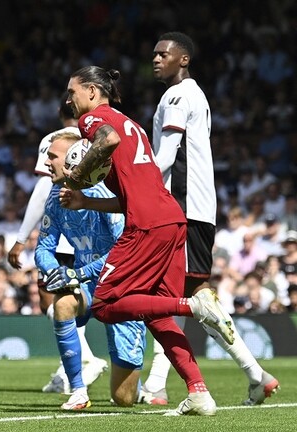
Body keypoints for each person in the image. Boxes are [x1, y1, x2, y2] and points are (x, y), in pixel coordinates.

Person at [60, 65, 235, 416]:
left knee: (103, 304)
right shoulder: (133, 126)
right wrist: (85, 201)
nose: (68, 100)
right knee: (158, 315)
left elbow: (106, 141)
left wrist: (77, 174)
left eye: (72, 92)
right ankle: (199, 392)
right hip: (171, 219)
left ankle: (193, 307)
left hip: (146, 226)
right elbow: (131, 195)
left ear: (92, 91)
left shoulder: (93, 120)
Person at [142, 31, 279, 407]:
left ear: (183, 59)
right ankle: (254, 376)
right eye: (154, 54)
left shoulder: (176, 96)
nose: (156, 59)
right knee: (185, 296)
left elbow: (166, 156)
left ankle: (158, 384)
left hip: (181, 208)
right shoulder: (194, 95)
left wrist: (134, 186)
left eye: (163, 54)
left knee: (167, 297)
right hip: (196, 208)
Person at [36, 131, 146, 410]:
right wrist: (55, 271)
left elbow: (123, 250)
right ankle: (78, 390)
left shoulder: (105, 195)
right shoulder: (55, 197)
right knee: (62, 304)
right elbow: (43, 248)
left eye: (52, 156)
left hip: (122, 286)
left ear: (74, 161)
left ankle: (137, 383)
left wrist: (78, 273)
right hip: (88, 285)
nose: (46, 162)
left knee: (123, 399)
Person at [6, 93, 107, 393]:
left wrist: (21, 238)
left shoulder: (55, 141)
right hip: (76, 243)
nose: (49, 162)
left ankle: (85, 359)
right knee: (66, 300)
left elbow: (43, 190)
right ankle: (73, 368)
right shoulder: (94, 140)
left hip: (72, 243)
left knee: (53, 299)